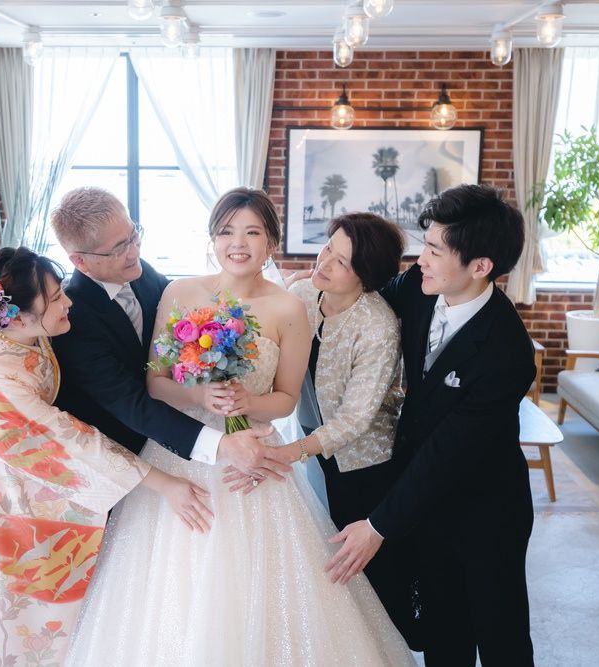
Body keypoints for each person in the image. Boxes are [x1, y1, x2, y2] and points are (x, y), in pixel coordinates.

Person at [66, 187, 416, 666]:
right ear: (212, 237)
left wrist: (248, 402)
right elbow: (155, 385)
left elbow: (286, 399)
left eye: (252, 232)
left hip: (252, 457)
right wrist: (199, 395)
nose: (238, 243)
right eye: (227, 231)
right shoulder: (178, 292)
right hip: (179, 454)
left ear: (271, 241)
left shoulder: (290, 307)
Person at [0, 247, 208, 666]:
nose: (69, 302)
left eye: (62, 290)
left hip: (3, 463)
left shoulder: (11, 328)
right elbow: (70, 442)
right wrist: (165, 483)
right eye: (56, 298)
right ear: (17, 318)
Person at [325, 184, 536, 666]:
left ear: (480, 266)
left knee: (500, 636)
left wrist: (377, 526)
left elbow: (449, 453)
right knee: (443, 630)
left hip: (487, 508)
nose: (421, 259)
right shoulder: (418, 291)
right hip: (425, 503)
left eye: (436, 250)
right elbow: (362, 304)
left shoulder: (506, 354)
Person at [50, 187, 287, 516]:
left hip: (169, 444)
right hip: (116, 466)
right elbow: (132, 403)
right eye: (119, 248)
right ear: (80, 261)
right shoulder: (73, 317)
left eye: (134, 235)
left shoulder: (138, 270)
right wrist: (220, 444)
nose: (134, 251)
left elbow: (187, 312)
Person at [253, 212, 422, 649]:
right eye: (328, 247)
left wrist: (294, 451)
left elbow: (356, 419)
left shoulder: (378, 326)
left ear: (366, 276)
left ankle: (384, 650)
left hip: (363, 463)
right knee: (321, 562)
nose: (324, 262)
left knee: (368, 576)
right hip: (309, 443)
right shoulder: (303, 295)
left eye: (341, 261)